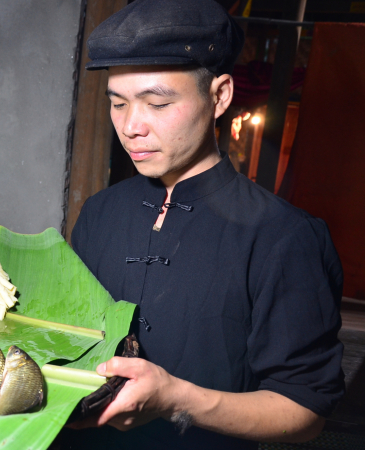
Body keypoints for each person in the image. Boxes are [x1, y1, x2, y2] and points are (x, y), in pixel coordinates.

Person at [65, 0, 345, 448]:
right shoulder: (99, 212)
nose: (131, 125)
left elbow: (305, 412)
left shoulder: (283, 236)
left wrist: (177, 399)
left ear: (219, 96)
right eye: (118, 104)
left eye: (157, 102)